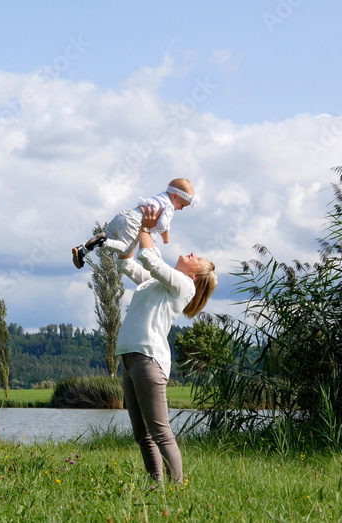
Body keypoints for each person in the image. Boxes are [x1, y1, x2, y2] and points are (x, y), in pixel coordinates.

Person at [116, 205, 217, 485]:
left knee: (160, 432)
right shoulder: (154, 284)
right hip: (129, 357)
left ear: (194, 275)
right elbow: (126, 263)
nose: (193, 255)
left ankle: (175, 488)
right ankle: (155, 485)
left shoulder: (185, 286)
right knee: (142, 434)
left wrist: (146, 228)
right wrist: (134, 230)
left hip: (149, 359)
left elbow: (150, 259)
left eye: (198, 259)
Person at [72, 178, 195, 269]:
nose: (181, 209)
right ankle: (101, 242)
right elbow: (163, 225)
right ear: (176, 196)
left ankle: (82, 249)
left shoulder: (159, 196)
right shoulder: (169, 206)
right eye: (182, 205)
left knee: (111, 238)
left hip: (123, 215)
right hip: (133, 223)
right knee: (126, 249)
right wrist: (166, 237)